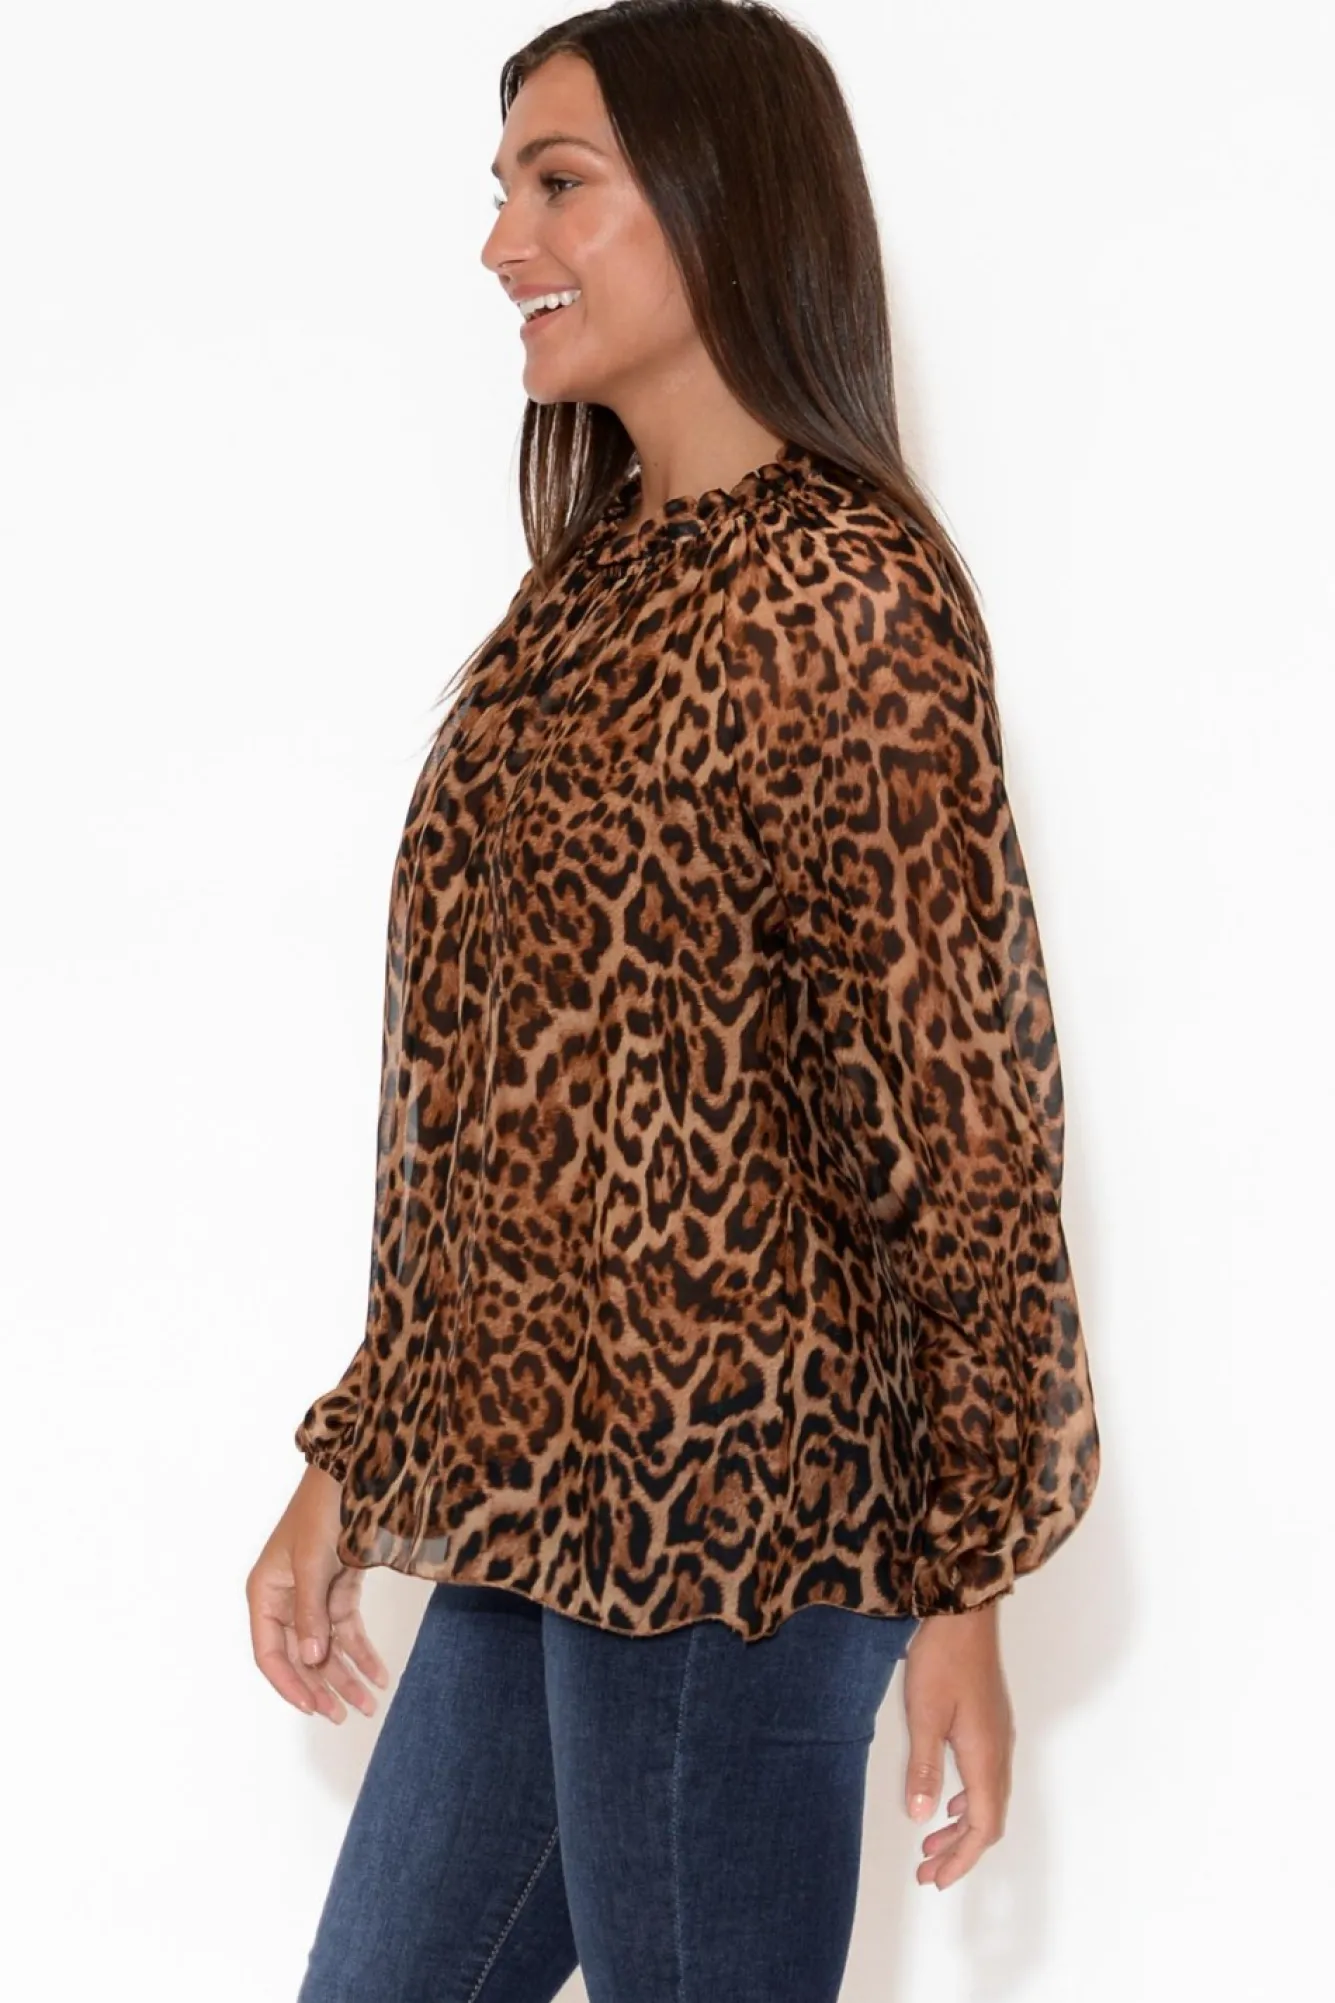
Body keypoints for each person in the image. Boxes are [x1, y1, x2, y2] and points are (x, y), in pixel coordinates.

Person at [246, 4, 1101, 1998]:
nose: (502, 244)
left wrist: (962, 1582)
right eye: (501, 190)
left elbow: (962, 1123)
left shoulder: (849, 601)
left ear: (719, 201)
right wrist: (352, 1455)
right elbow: (503, 1119)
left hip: (743, 1536)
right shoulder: (589, 586)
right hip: (538, 1510)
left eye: (558, 185)